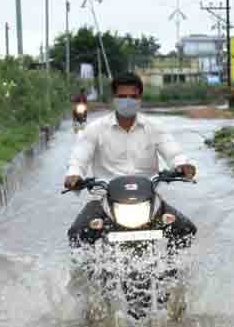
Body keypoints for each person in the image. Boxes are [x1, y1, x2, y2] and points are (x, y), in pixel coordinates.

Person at [64, 73, 197, 246]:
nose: (128, 100)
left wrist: (183, 165)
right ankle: (87, 271)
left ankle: (173, 269)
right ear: (114, 98)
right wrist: (74, 175)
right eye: (122, 96)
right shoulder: (95, 129)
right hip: (106, 199)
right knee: (77, 233)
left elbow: (173, 152)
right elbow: (79, 158)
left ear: (140, 98)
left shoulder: (155, 127)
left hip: (148, 198)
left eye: (133, 97)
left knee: (185, 230)